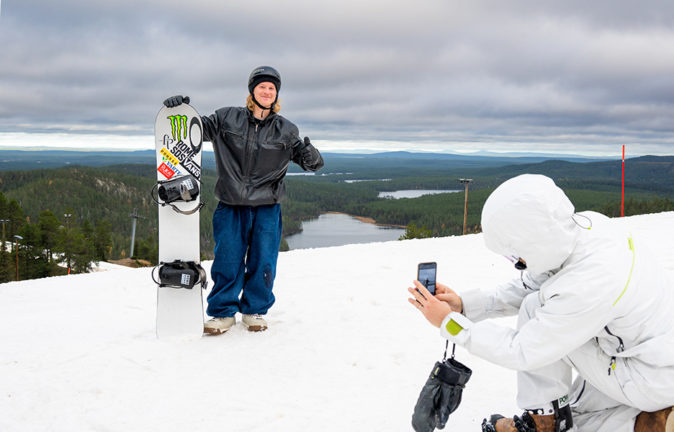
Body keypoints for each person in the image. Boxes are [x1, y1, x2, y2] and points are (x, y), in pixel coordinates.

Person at [408, 174, 674, 432]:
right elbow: (533, 283)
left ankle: (543, 425)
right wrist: (464, 305)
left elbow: (523, 350)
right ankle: (658, 422)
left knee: (572, 415)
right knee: (573, 409)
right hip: (651, 358)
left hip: (647, 377)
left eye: (518, 257)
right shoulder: (588, 227)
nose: (518, 264)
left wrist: (450, 323)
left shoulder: (588, 282)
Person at [164, 66, 324, 334]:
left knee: (263, 262)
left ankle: (254, 311)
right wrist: (178, 112)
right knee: (228, 260)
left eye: (272, 88)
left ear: (276, 95)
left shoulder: (285, 129)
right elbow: (197, 130)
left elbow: (313, 164)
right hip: (231, 204)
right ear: (252, 91)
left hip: (267, 208)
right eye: (262, 86)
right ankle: (222, 313)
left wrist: (310, 153)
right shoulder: (228, 118)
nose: (267, 91)